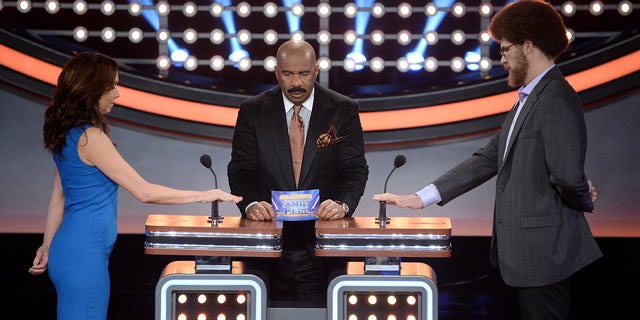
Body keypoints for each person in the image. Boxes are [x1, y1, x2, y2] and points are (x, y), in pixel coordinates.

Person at [373, 1, 601, 319]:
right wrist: (419, 198)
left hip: (544, 256)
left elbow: (565, 175)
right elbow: (488, 158)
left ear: (528, 46)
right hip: (524, 256)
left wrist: (582, 197)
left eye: (506, 49)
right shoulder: (531, 98)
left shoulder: (556, 98)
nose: (502, 59)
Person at [28, 52, 242, 320]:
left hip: (67, 251)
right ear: (92, 90)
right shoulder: (90, 138)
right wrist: (205, 194)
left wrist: (48, 246)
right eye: (112, 86)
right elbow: (145, 191)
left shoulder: (69, 133)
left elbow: (57, 199)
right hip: (84, 256)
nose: (117, 94)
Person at [227, 39, 369, 305]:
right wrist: (251, 204)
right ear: (277, 72)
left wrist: (343, 204)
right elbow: (241, 169)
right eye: (288, 74)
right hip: (267, 242)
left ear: (315, 71)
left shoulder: (343, 109)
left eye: (303, 74)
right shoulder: (253, 110)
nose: (296, 83)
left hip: (321, 242)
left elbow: (354, 168)